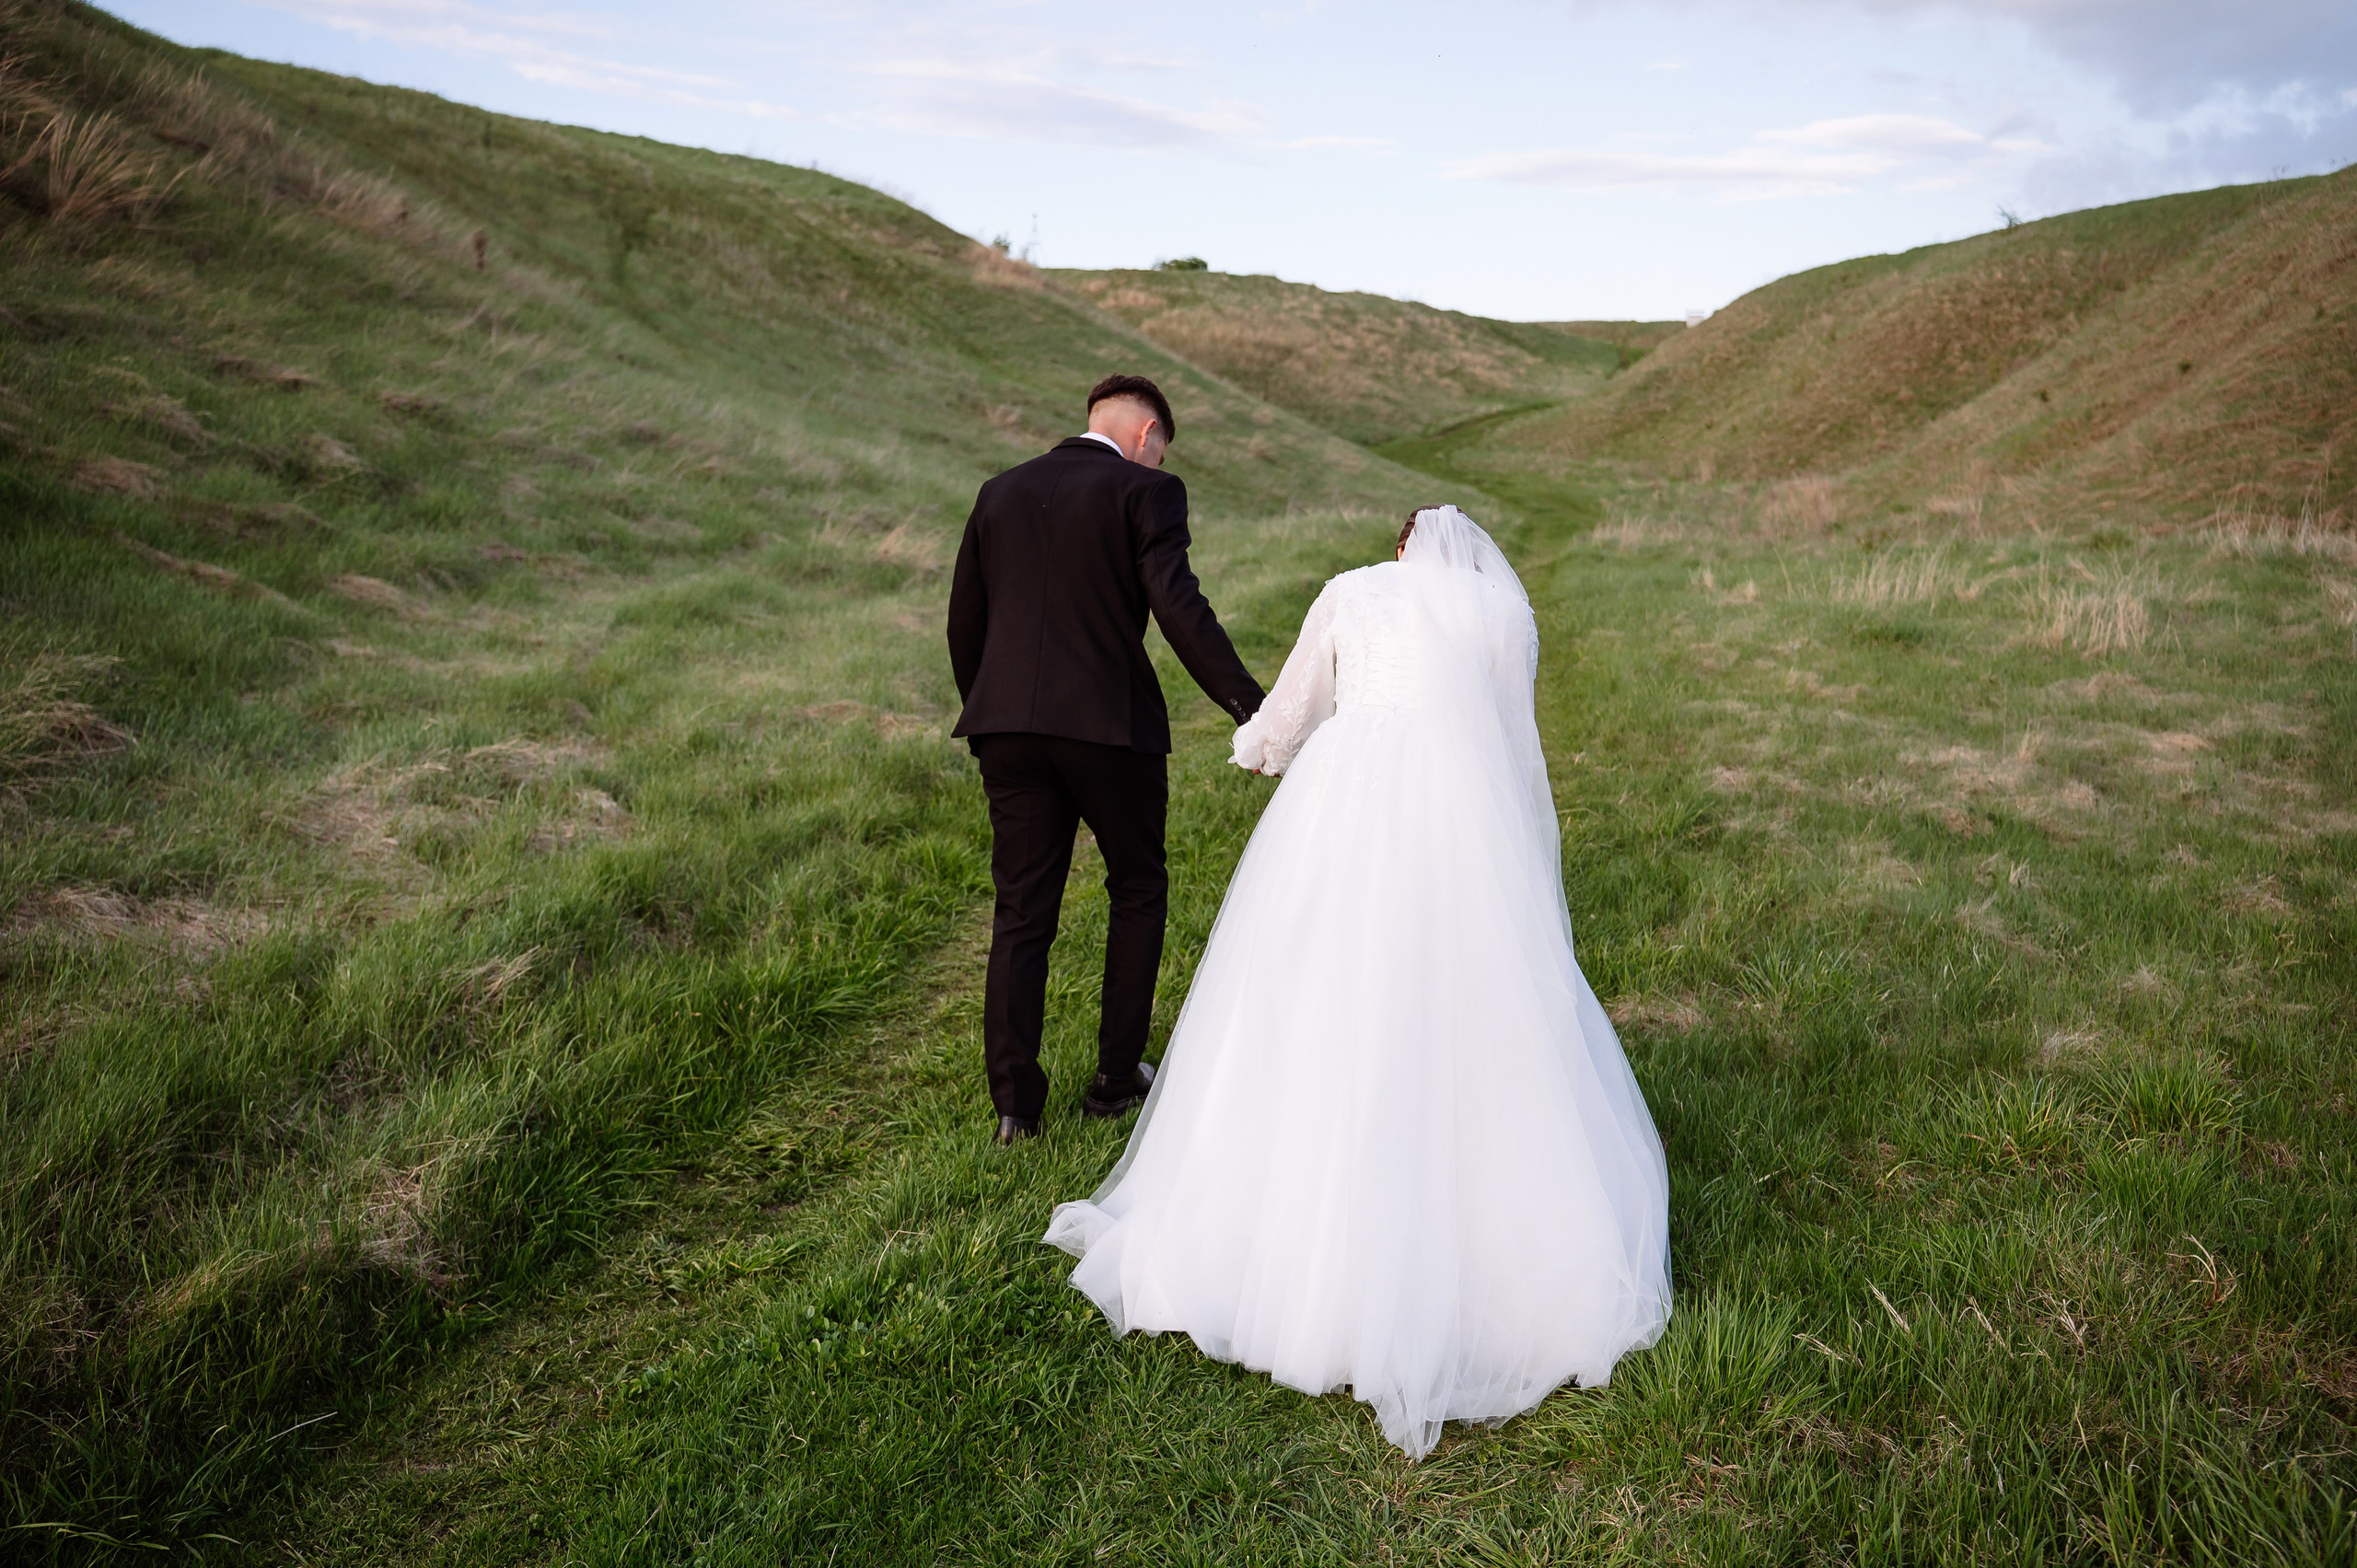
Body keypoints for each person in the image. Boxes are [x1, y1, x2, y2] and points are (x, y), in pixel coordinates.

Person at [1043, 505, 1674, 1459]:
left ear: (1397, 548)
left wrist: (1261, 748)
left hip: (1348, 795)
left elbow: (1293, 707)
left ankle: (1295, 1240)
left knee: (1310, 984)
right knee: (1467, 993)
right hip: (1459, 803)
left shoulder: (1351, 590)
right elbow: (1512, 739)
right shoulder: (1502, 612)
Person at [947, 374, 1265, 1146]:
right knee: (1137, 888)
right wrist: (1251, 705)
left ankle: (1015, 1110)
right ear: (1147, 434)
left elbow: (967, 619)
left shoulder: (1000, 490)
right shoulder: (1145, 492)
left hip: (1008, 730)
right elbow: (1178, 606)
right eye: (1160, 450)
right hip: (1108, 728)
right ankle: (1114, 1082)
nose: (1157, 462)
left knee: (1022, 911)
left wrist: (994, 710)